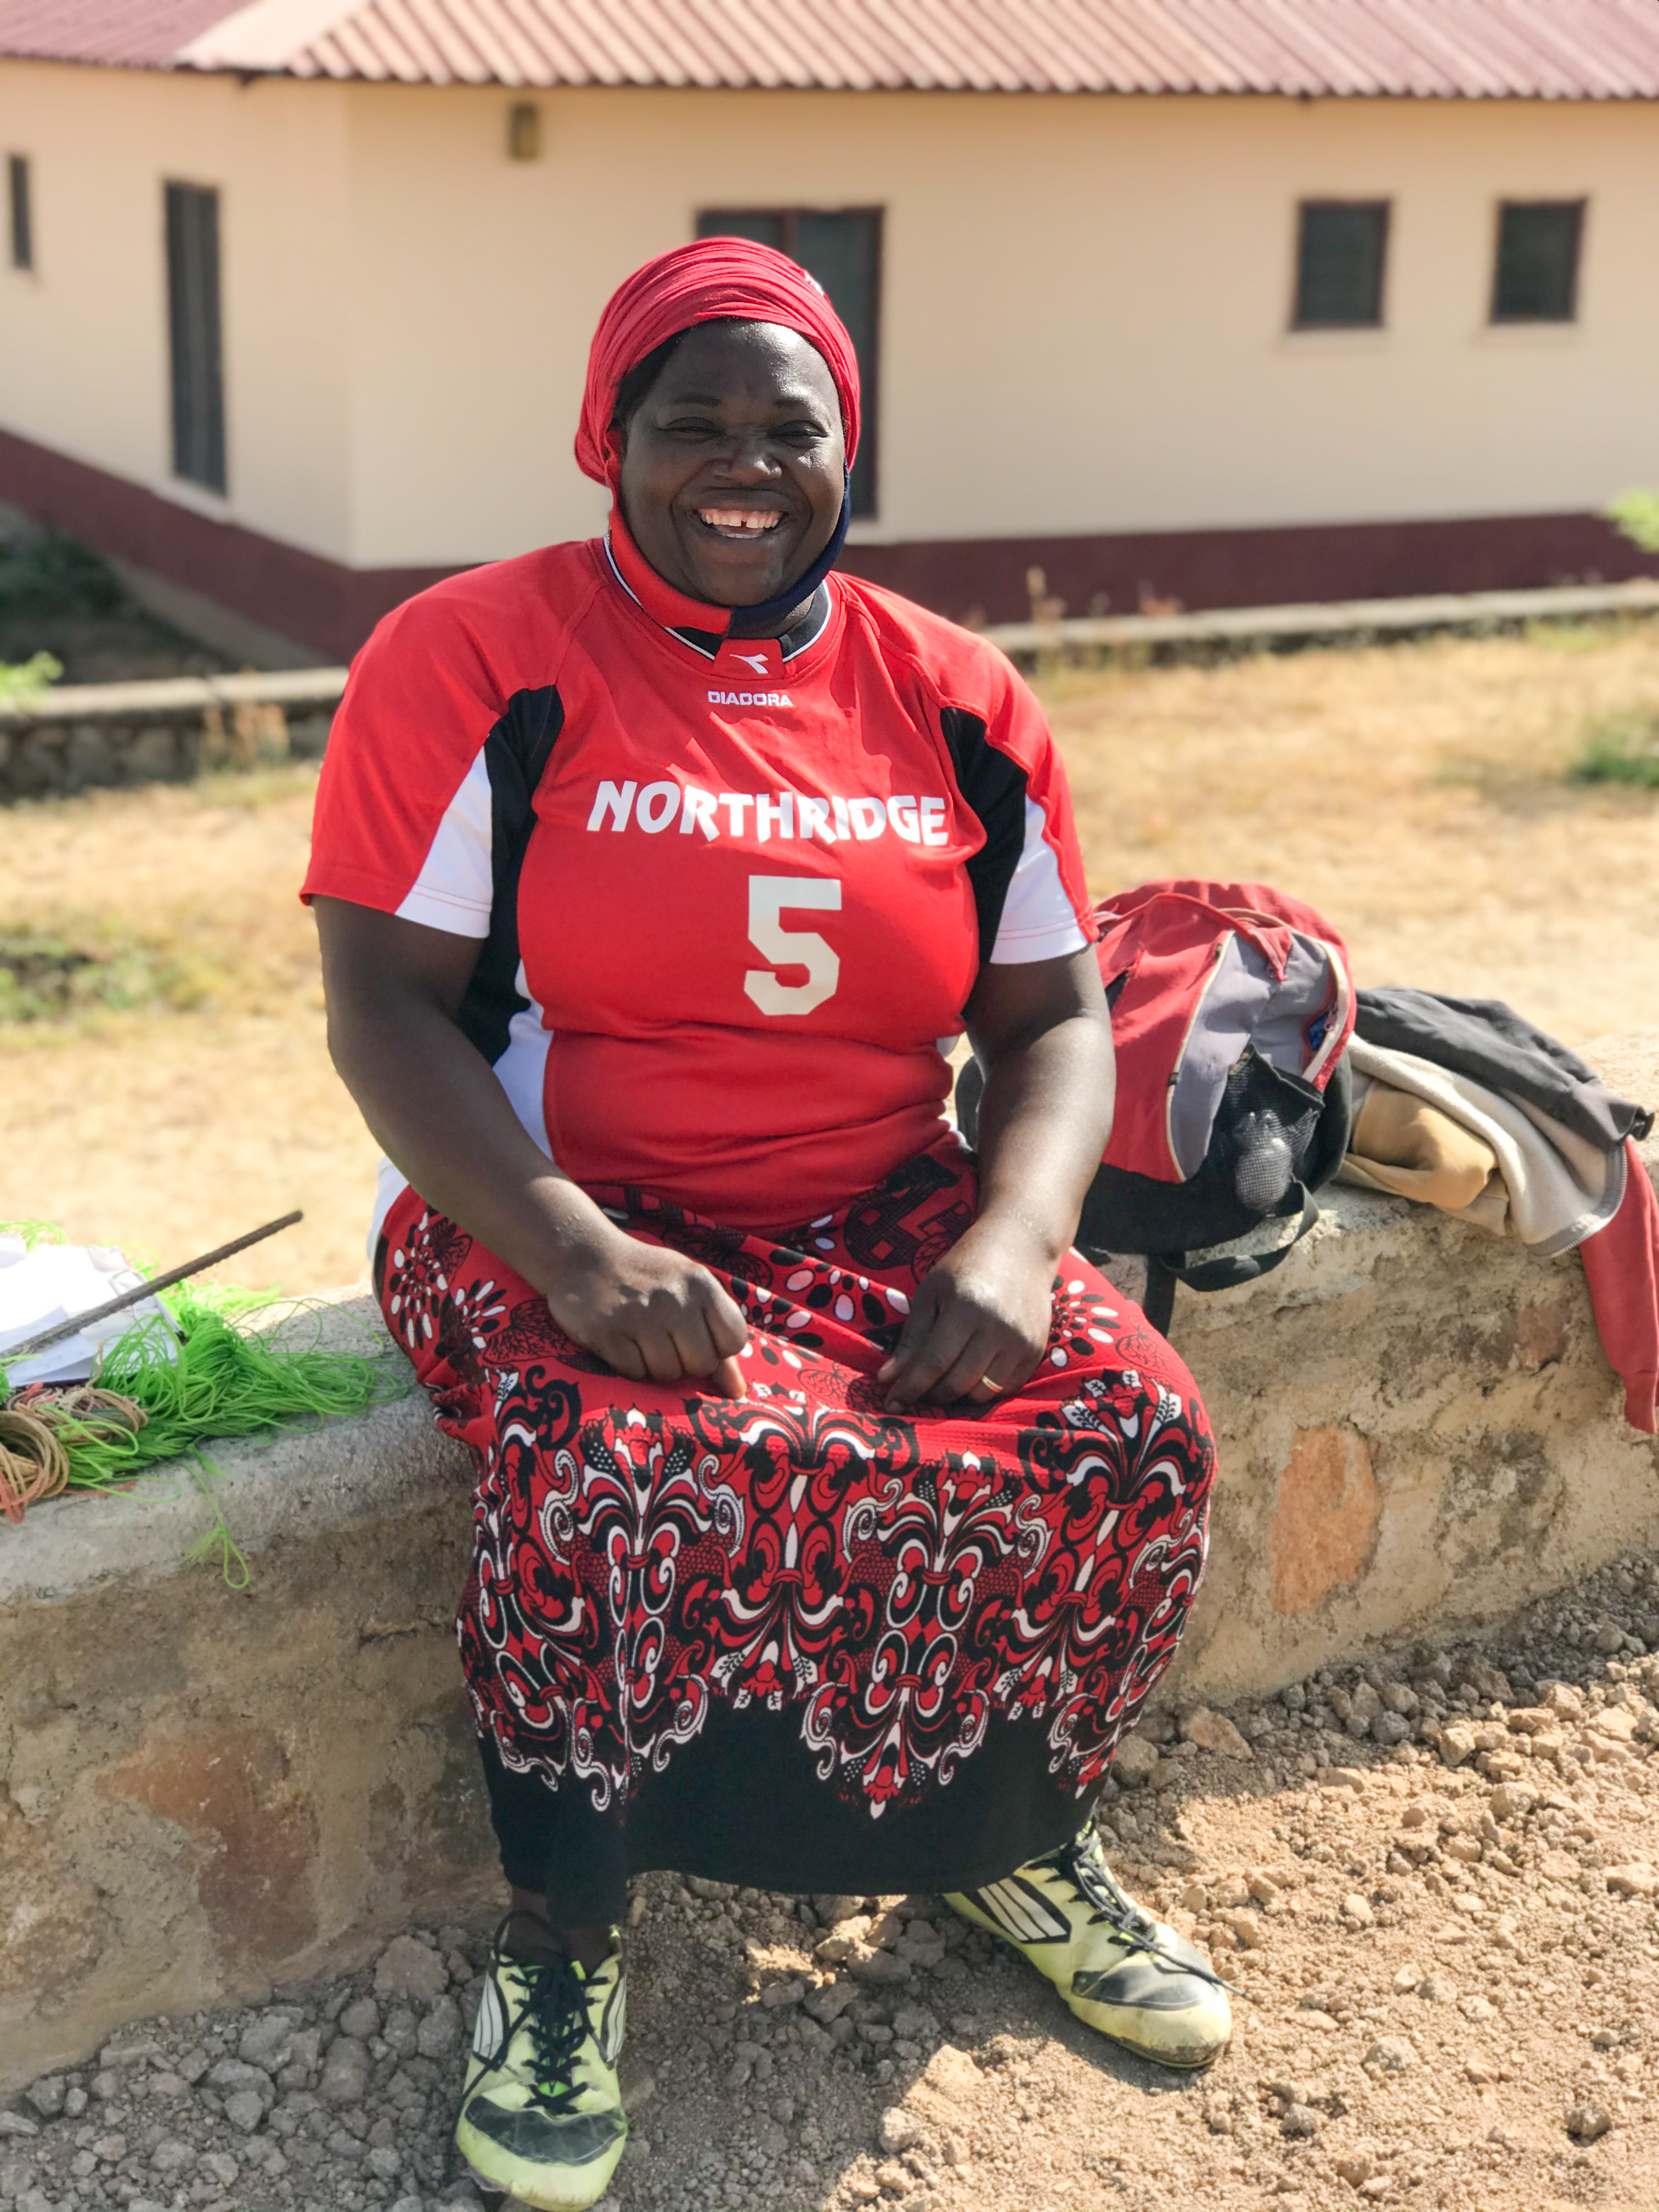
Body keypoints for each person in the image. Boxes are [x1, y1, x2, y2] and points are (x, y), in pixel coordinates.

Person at [306, 239, 1226, 2212]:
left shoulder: (956, 694)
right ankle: (564, 1945)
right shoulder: (471, 658)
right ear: (608, 437)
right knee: (616, 1464)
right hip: (539, 1198)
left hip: (874, 1195)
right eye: (691, 422)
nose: (743, 463)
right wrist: (574, 1255)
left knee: (1128, 1426)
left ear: (845, 447)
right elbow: (383, 1007)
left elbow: (1057, 1022)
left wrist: (1013, 1238)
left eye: (786, 426)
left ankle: (1007, 1835)